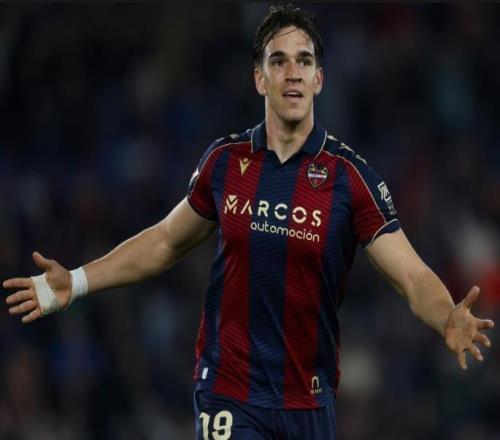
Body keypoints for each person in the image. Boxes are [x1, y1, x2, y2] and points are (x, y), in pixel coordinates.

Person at [3, 4, 495, 440]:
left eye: (304, 61)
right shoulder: (225, 162)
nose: (292, 73)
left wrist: (445, 315)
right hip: (229, 392)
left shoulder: (350, 178)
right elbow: (165, 242)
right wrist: (78, 281)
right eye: (278, 61)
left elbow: (411, 275)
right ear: (259, 78)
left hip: (308, 403)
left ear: (320, 79)